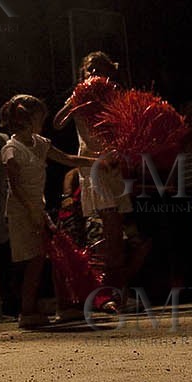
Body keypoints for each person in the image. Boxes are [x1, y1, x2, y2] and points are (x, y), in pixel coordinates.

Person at [0, 94, 92, 329]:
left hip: (36, 208)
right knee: (35, 259)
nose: (42, 122)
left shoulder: (39, 142)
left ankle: (63, 303)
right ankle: (27, 310)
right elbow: (16, 186)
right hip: (22, 210)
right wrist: (31, 211)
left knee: (52, 255)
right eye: (39, 117)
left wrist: (95, 161)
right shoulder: (11, 149)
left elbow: (67, 158)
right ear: (27, 119)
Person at [54, 52, 132, 303]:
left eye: (99, 68)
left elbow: (128, 129)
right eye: (89, 69)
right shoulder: (78, 97)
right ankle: (107, 292)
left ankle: (116, 290)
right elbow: (57, 123)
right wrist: (76, 99)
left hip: (114, 164)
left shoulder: (115, 96)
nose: (93, 73)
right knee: (108, 225)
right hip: (93, 165)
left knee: (116, 230)